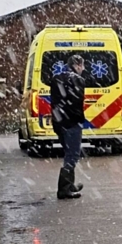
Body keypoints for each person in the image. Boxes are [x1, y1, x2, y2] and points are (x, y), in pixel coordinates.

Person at [50, 54, 87, 199]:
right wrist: (78, 119)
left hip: (58, 122)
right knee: (72, 155)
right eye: (82, 66)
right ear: (77, 65)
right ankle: (64, 189)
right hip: (72, 123)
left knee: (68, 153)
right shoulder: (78, 80)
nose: (83, 69)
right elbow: (77, 104)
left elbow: (56, 101)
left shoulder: (56, 78)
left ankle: (70, 184)